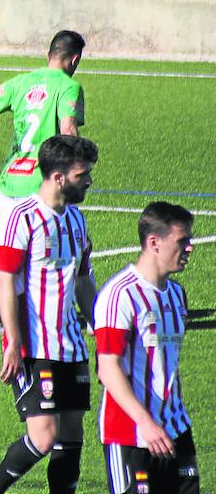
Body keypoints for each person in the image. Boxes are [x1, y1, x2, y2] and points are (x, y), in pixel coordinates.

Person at [0, 134, 98, 494]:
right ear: (58, 177)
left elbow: (83, 281)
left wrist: (103, 334)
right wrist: (12, 342)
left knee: (72, 433)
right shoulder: (21, 218)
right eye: (82, 174)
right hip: (33, 343)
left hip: (71, 345)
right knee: (44, 436)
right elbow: (6, 283)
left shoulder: (76, 220)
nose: (88, 181)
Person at [0, 31, 86, 335]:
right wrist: (79, 164)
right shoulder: (69, 86)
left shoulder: (22, 82)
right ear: (74, 59)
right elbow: (68, 129)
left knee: (2, 245)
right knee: (59, 244)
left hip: (11, 177)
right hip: (42, 180)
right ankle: (69, 313)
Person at [94, 202, 199, 494]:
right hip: (131, 434)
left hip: (176, 429)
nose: (190, 248)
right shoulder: (120, 295)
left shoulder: (177, 295)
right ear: (154, 242)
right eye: (182, 241)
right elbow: (108, 367)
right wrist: (146, 423)